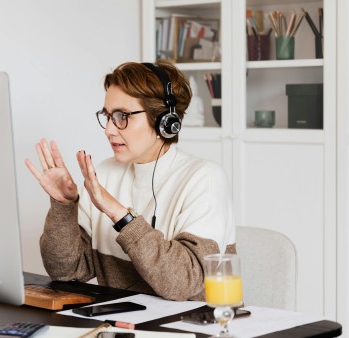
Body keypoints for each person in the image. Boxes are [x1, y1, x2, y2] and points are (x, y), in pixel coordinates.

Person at [24, 60, 235, 301]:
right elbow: (66, 271)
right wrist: (63, 206)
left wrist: (120, 215)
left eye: (122, 116)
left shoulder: (204, 178)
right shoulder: (104, 173)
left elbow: (183, 284)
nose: (109, 130)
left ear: (164, 120)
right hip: (122, 326)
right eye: (107, 116)